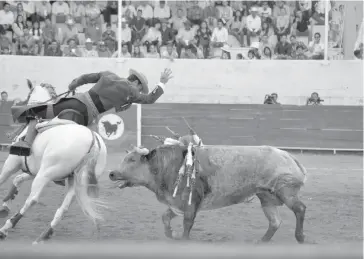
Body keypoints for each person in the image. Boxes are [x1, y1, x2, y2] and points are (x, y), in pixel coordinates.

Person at [10, 68, 173, 156]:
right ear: (136, 82)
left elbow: (86, 77)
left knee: (39, 110)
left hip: (78, 102)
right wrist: (162, 83)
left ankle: (26, 143)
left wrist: (73, 85)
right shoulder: (131, 91)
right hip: (88, 117)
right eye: (140, 87)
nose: (139, 90)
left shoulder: (109, 74)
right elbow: (149, 99)